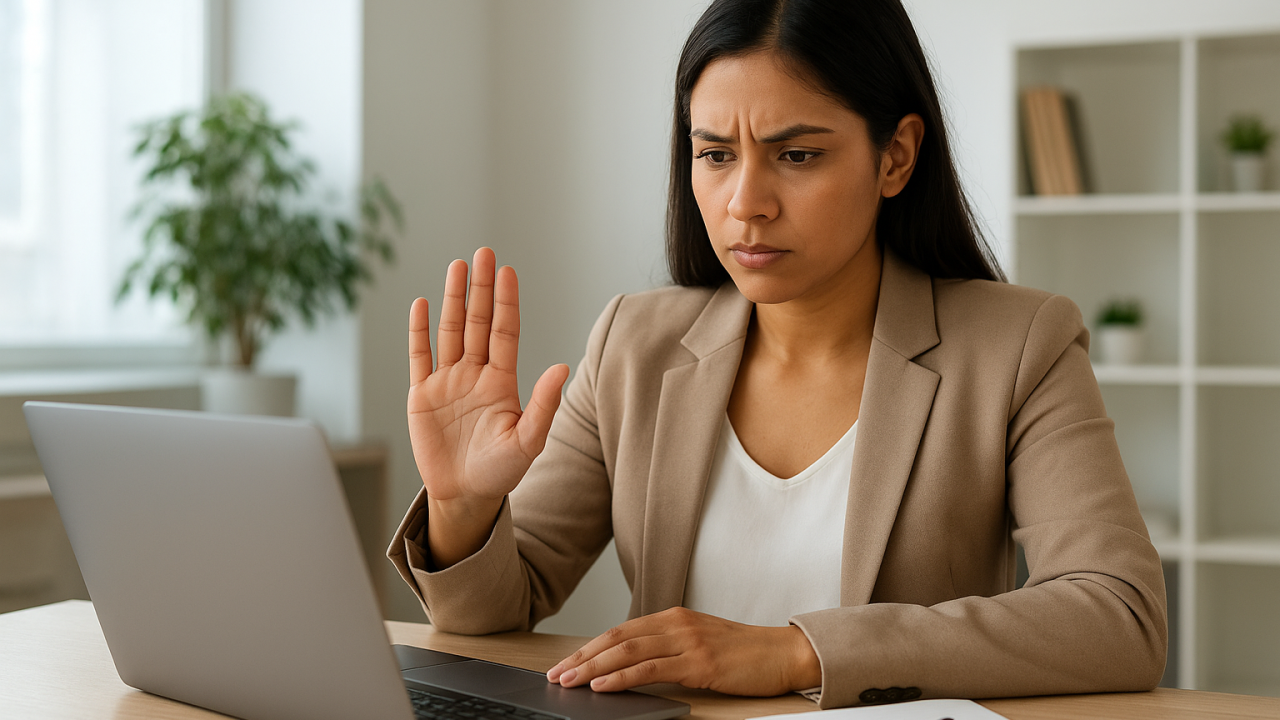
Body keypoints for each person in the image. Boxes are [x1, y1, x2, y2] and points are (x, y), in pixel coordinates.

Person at [388, 0, 1167, 709]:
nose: (745, 203)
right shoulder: (635, 341)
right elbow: (493, 614)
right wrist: (464, 507)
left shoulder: (1018, 346)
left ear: (895, 156)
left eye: (796, 155)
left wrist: (796, 652)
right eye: (716, 154)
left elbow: (1120, 615)